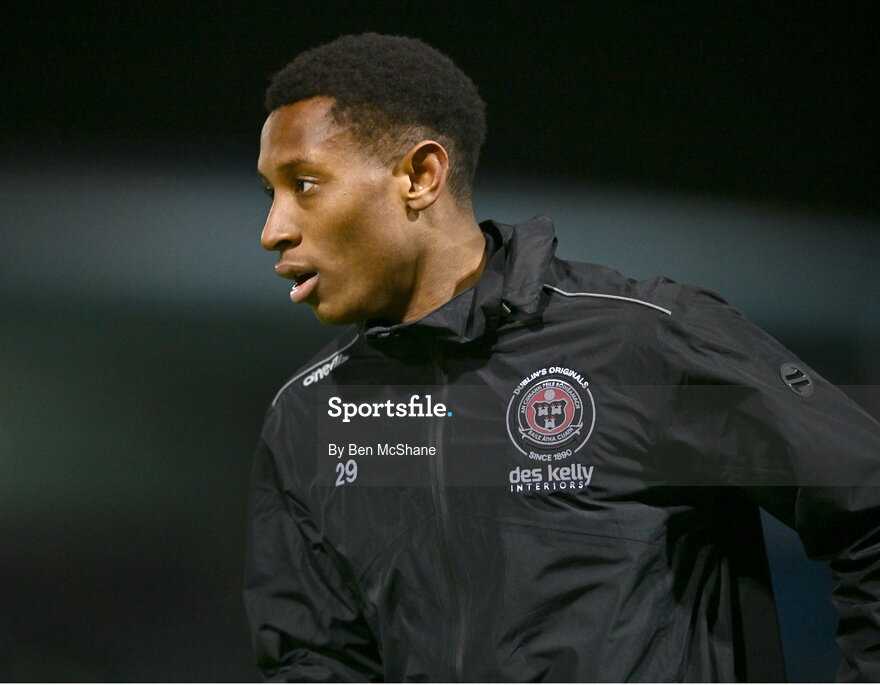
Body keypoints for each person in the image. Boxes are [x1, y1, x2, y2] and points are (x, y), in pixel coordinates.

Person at [244, 33, 880, 682]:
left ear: (420, 175)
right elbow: (314, 664)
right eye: (271, 192)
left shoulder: (642, 344)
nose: (274, 229)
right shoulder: (312, 417)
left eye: (305, 184)